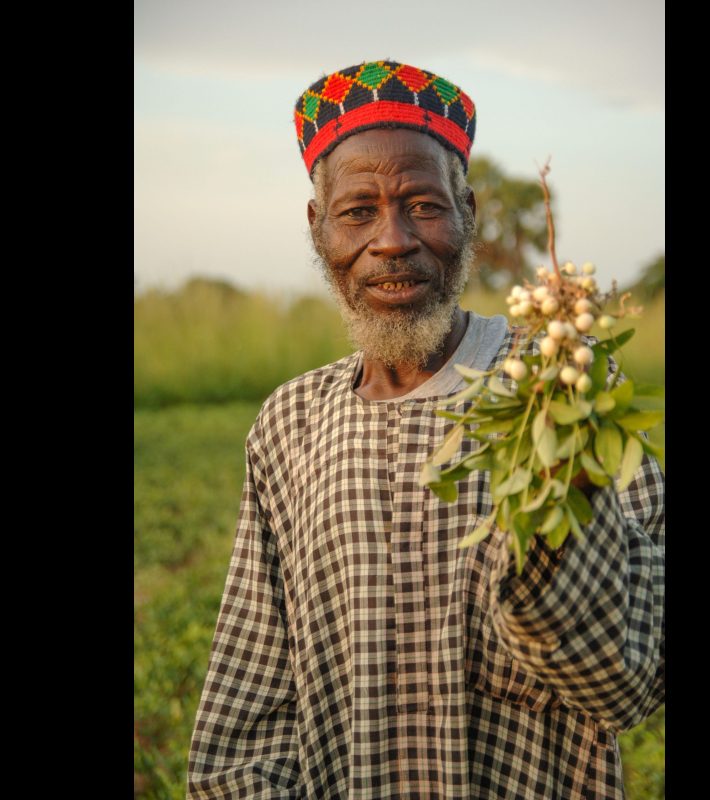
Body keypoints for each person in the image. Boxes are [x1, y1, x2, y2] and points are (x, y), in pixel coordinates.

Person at [186, 60, 665, 800]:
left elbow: (629, 688)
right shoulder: (288, 424)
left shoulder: (562, 388)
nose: (393, 240)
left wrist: (562, 530)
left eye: (423, 205)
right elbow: (251, 711)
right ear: (317, 229)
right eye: (357, 212)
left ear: (467, 213)